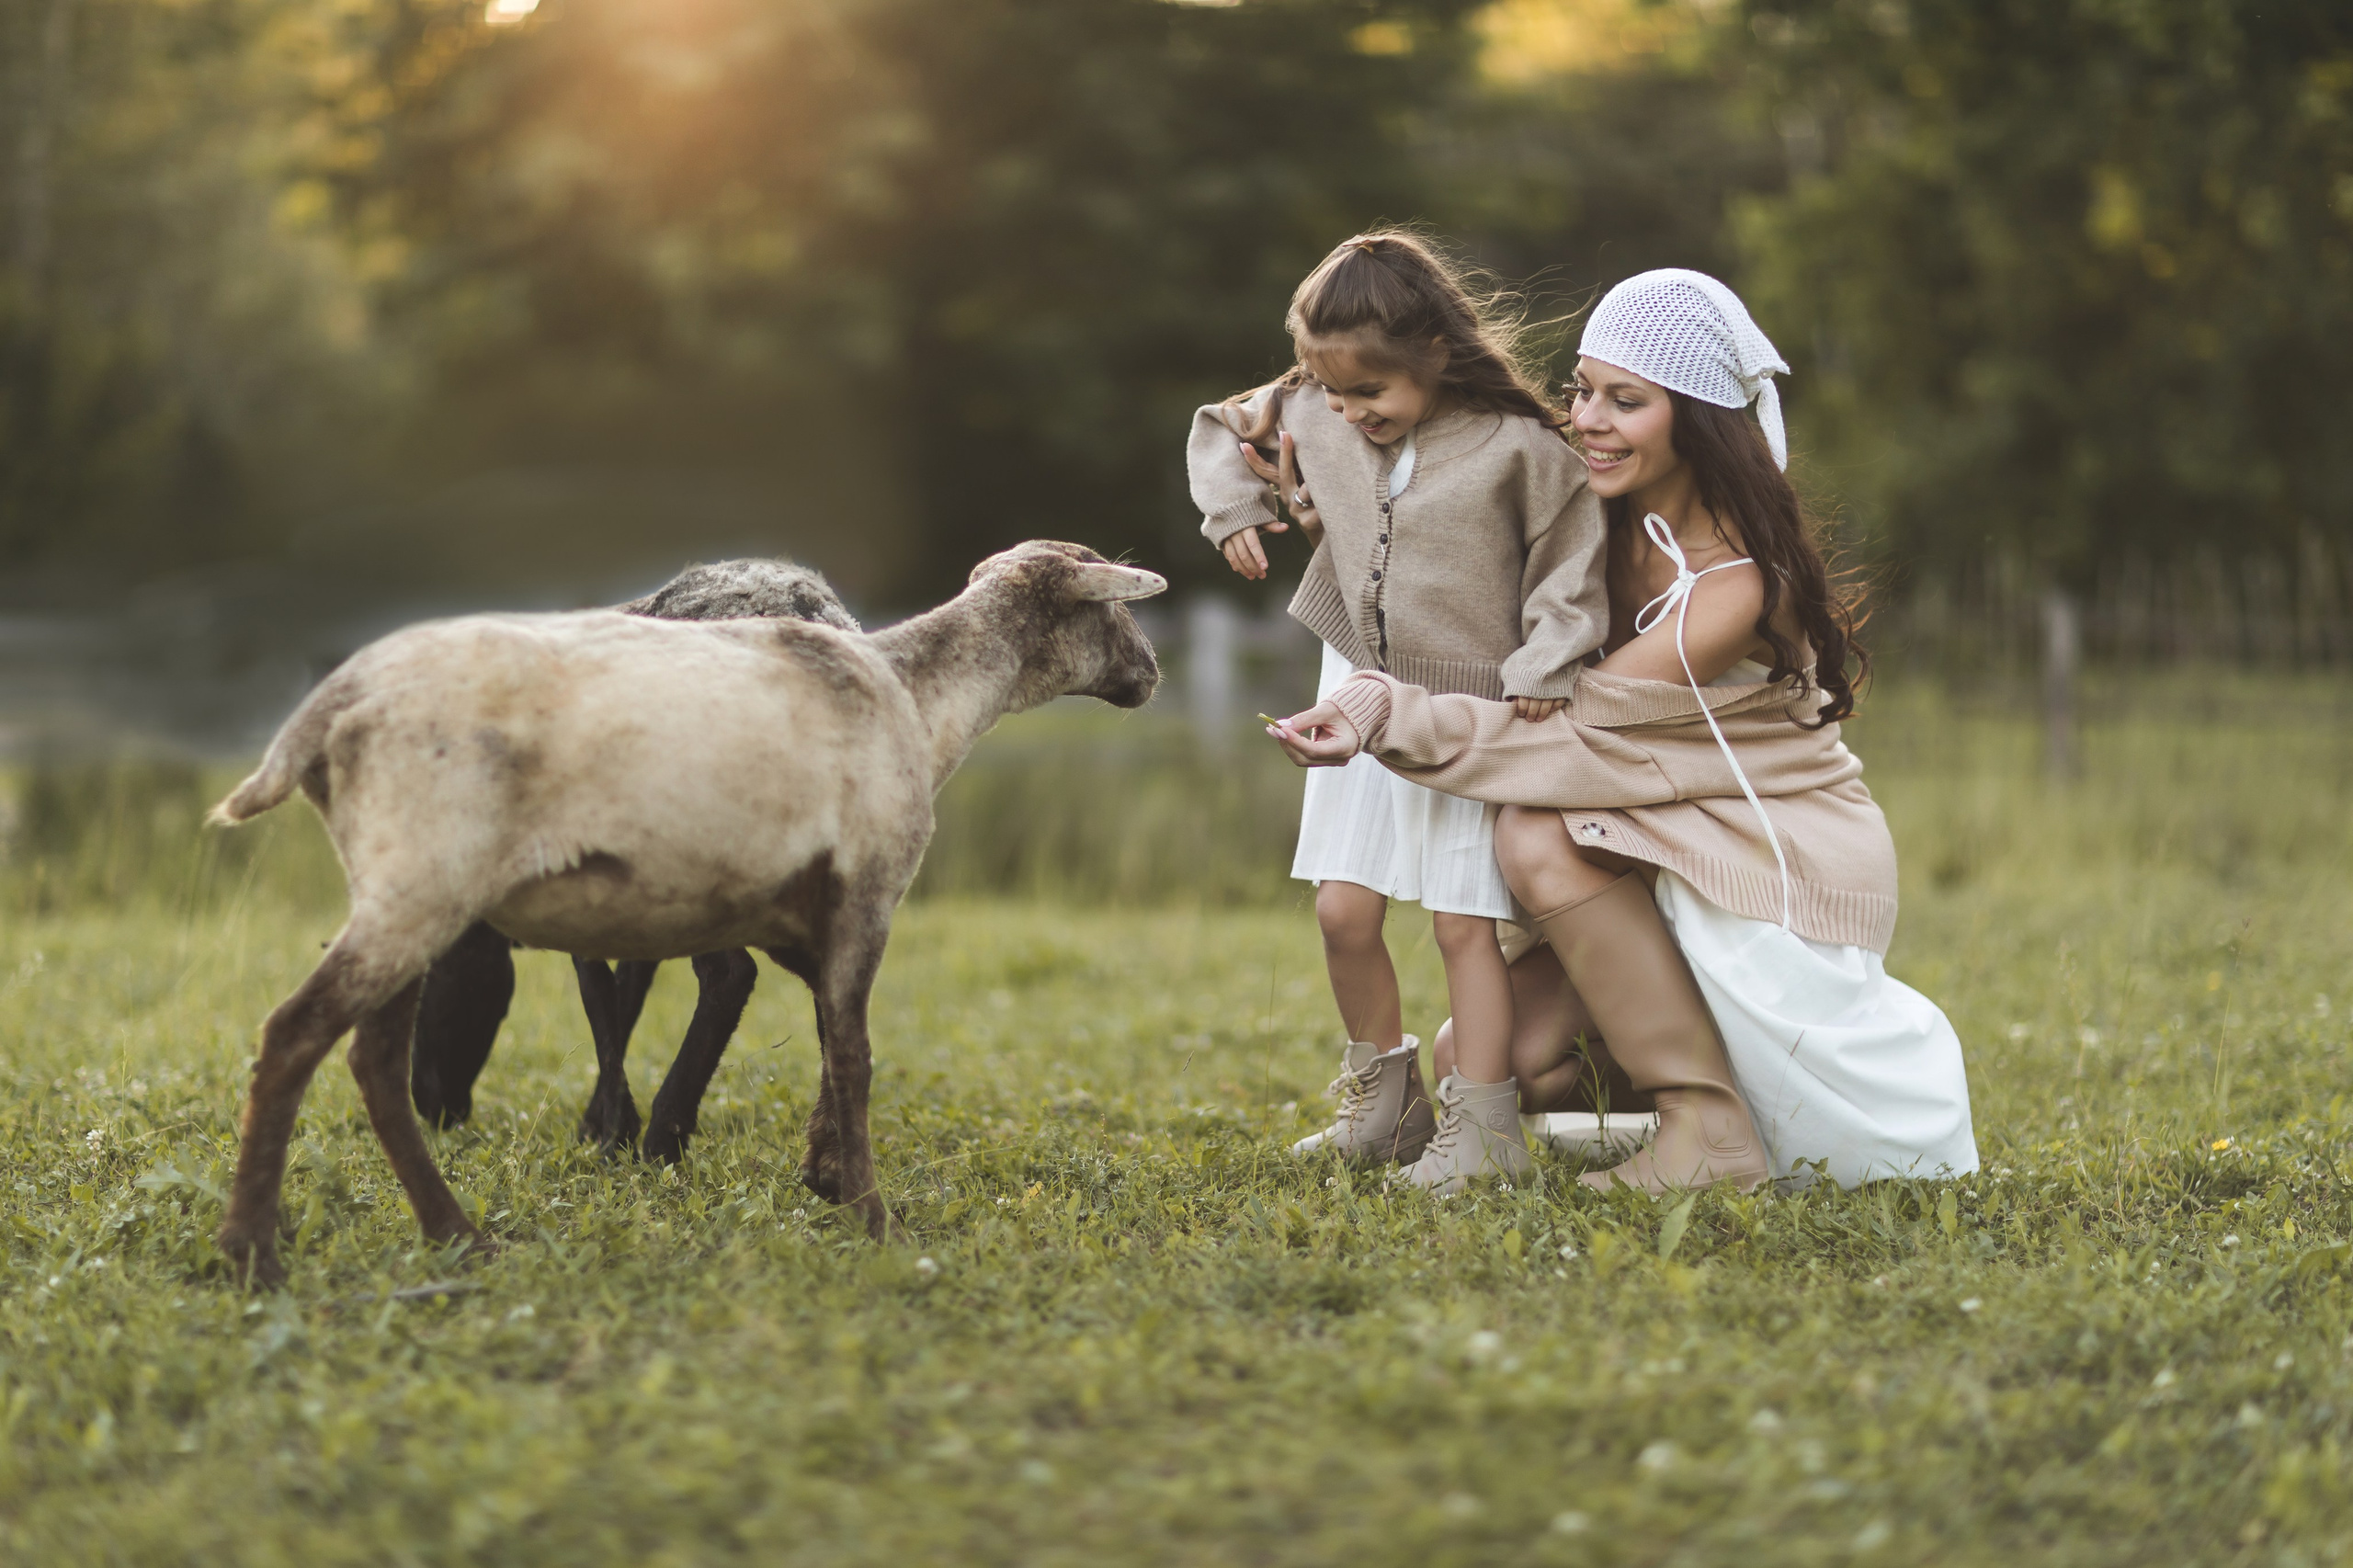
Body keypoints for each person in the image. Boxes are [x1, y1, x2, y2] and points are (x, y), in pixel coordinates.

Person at [1269, 269, 1977, 1194]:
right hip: (1640, 840)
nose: (1588, 418)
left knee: (1531, 828)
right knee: (1477, 1061)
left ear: (1698, 419)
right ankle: (1688, 1083)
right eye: (1582, 389)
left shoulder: (1734, 586)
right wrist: (1342, 504)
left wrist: (1379, 711)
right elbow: (1452, 563)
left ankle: (1709, 1125)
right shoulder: (1591, 513)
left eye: (1625, 400)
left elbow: (1570, 742)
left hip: (1758, 856)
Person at [1188, 232, 1608, 1194]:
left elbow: (1569, 563)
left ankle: (1484, 1125)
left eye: (1366, 393)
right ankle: (1384, 1102)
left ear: (1432, 350)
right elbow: (1218, 425)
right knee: (1342, 907)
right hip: (1356, 681)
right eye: (1330, 391)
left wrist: (1546, 661)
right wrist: (1234, 511)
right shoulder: (1313, 403)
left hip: (1470, 701)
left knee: (1464, 923)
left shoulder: (1525, 449)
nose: (1344, 411)